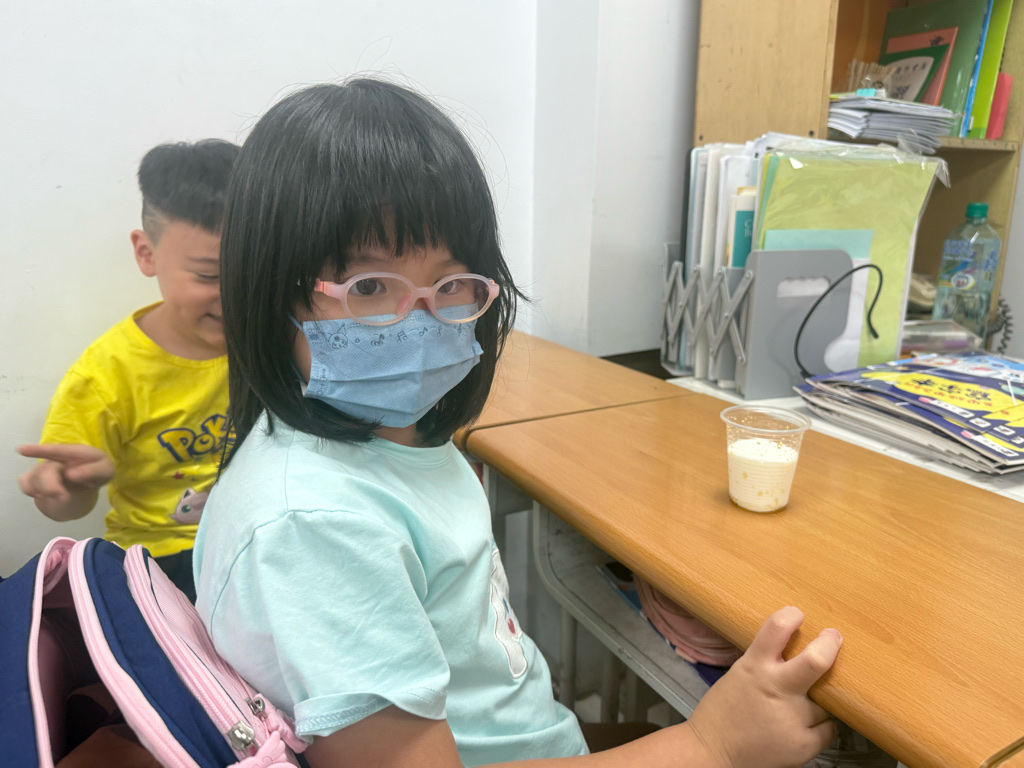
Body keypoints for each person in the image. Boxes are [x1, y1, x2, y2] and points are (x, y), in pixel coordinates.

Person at [193, 78, 844, 768]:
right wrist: (711, 745)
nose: (422, 321)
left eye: (451, 285)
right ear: (270, 293)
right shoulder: (315, 527)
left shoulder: (391, 440)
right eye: (371, 287)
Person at [18, 139, 240, 602]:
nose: (237, 293)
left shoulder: (277, 337)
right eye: (209, 275)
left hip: (260, 536)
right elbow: (64, 507)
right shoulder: (105, 377)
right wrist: (67, 490)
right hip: (161, 559)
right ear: (146, 253)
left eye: (255, 269)